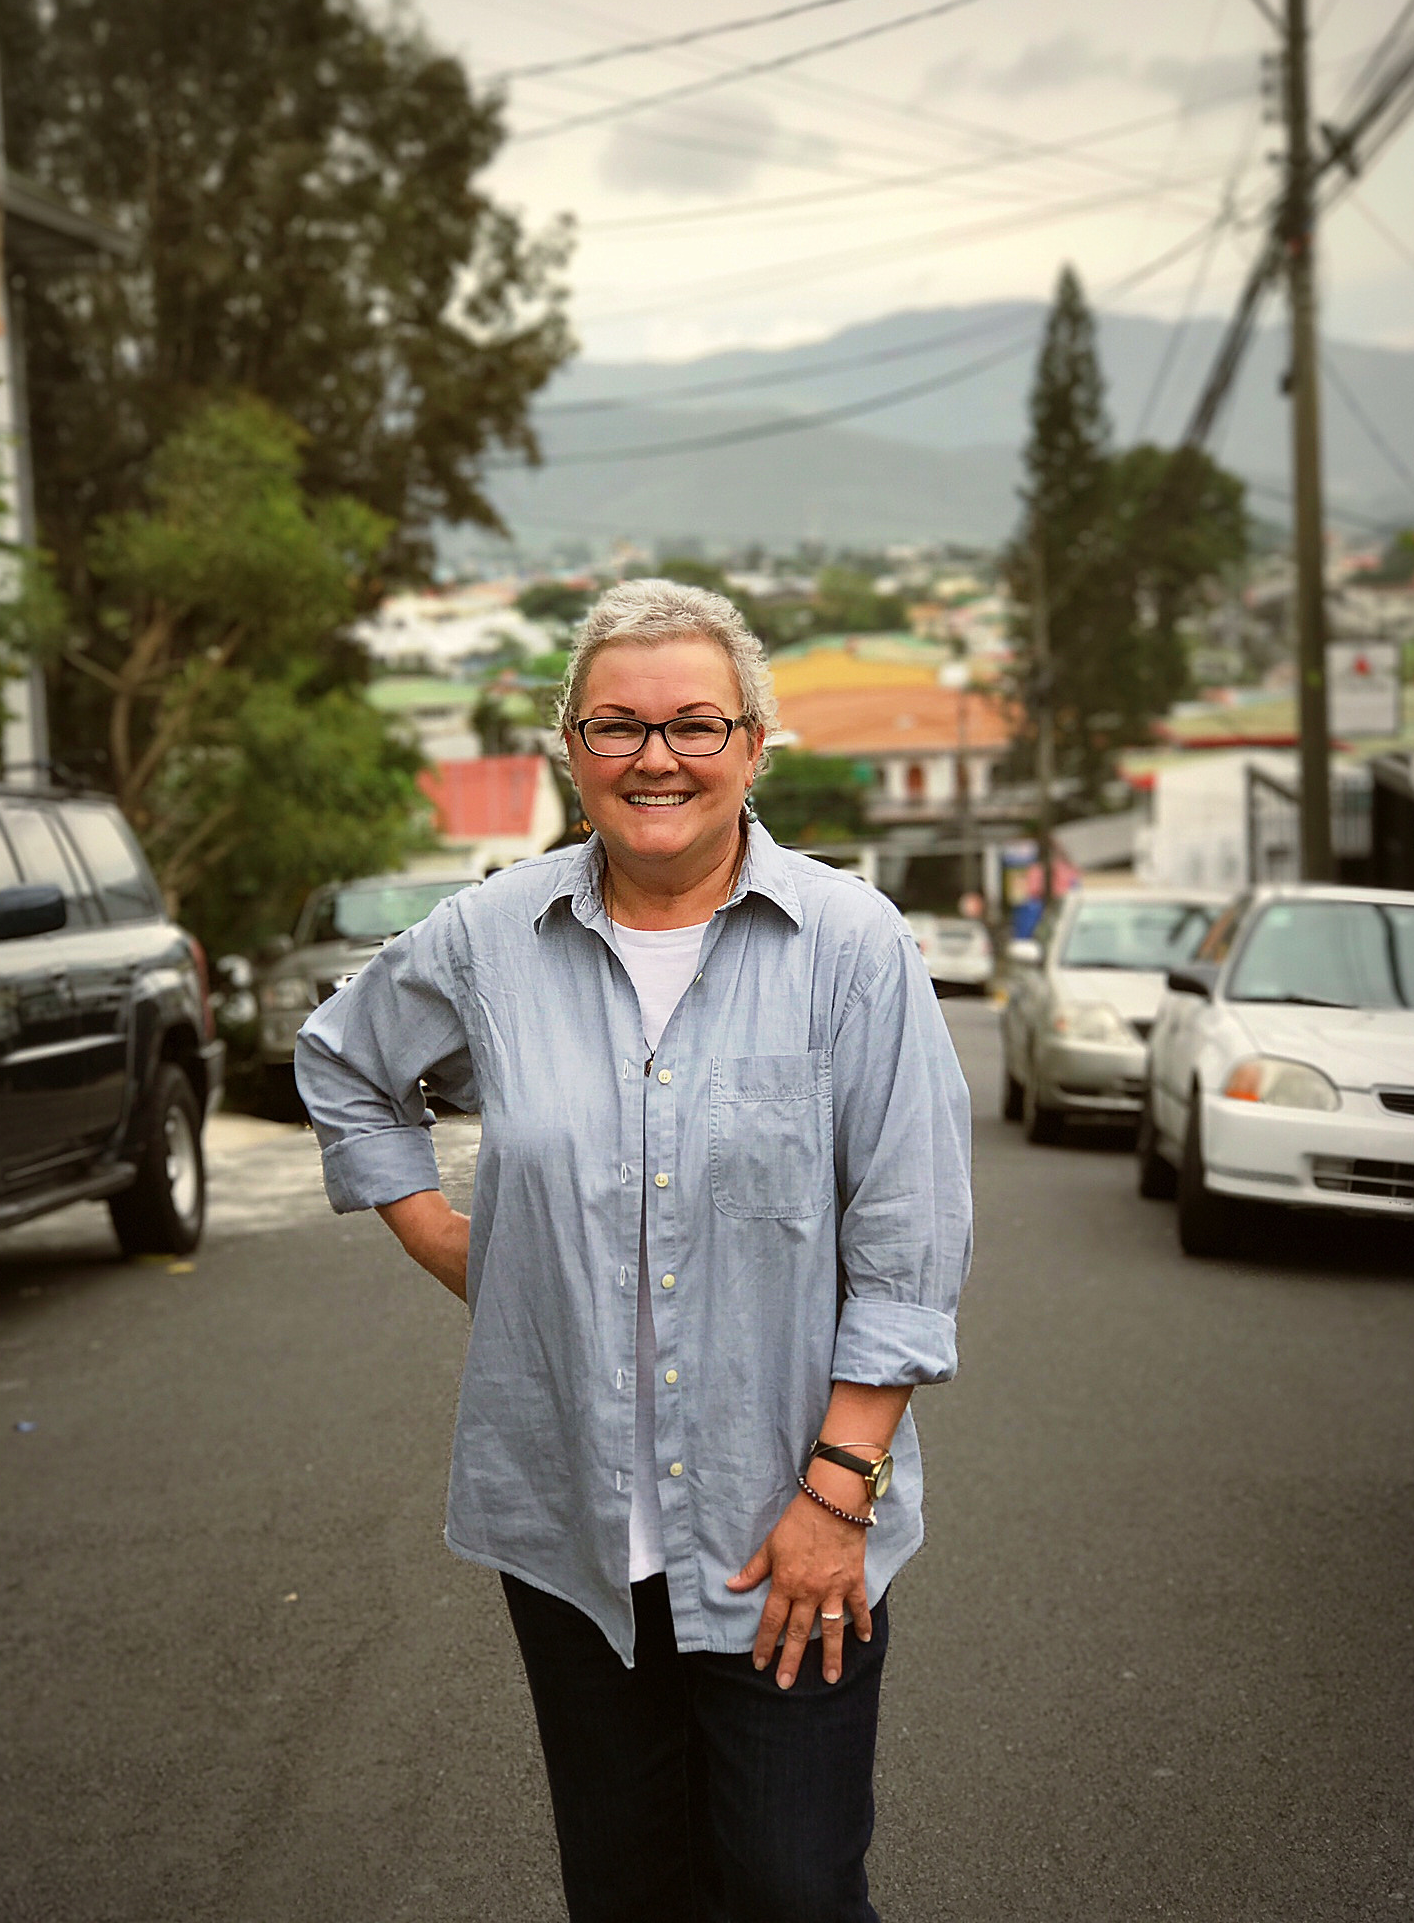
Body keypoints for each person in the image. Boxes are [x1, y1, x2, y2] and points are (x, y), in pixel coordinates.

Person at [296, 580, 973, 1923]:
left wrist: (838, 1498)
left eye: (694, 724)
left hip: (789, 1529)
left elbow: (907, 1244)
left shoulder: (852, 946)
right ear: (573, 749)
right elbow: (343, 1062)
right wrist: (455, 1242)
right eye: (617, 726)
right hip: (573, 1533)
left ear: (752, 747)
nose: (655, 757)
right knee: (626, 1892)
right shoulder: (490, 938)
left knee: (791, 1889)